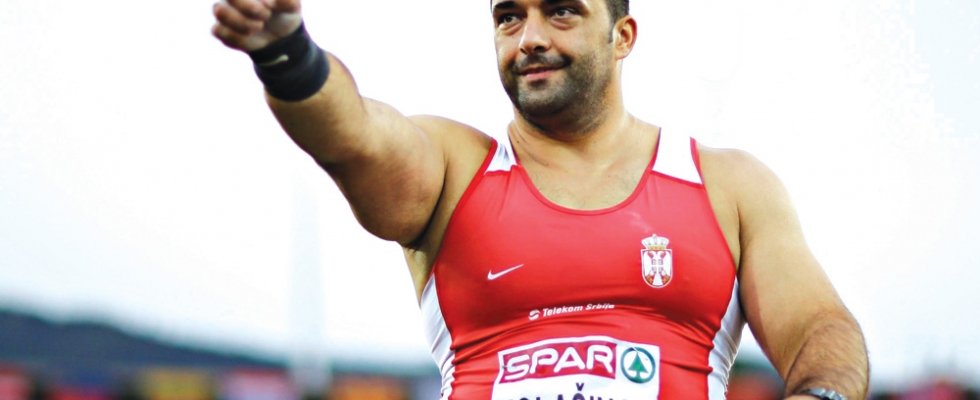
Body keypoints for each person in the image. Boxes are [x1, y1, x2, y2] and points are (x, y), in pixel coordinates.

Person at [211, 0, 869, 399]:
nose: (529, 37)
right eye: (508, 16)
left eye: (561, 11)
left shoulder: (728, 186)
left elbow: (821, 330)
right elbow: (354, 133)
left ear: (623, 36)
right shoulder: (453, 171)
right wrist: (288, 54)